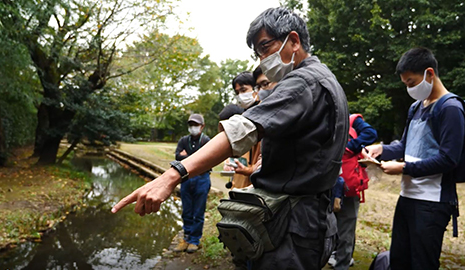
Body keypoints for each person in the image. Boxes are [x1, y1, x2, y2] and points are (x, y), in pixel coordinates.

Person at [111, 7, 349, 269]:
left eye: (265, 47)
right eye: (257, 53)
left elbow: (242, 129)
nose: (261, 60)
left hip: (292, 225)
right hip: (312, 219)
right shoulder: (327, 80)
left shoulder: (304, 82)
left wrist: (172, 175)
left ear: (294, 41)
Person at [362, 47, 465, 270]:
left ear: (429, 73)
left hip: (432, 204)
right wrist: (381, 149)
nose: (409, 89)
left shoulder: (451, 109)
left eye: (411, 82)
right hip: (407, 197)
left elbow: (449, 159)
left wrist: (403, 168)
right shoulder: (416, 107)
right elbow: (404, 145)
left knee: (422, 264)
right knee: (399, 261)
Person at [329, 115, 377, 270]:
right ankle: (336, 255)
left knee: (346, 228)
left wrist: (350, 147)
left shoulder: (352, 120)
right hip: (327, 182)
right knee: (332, 225)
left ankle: (342, 263)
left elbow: (371, 133)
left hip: (348, 185)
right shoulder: (321, 118)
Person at [172, 113, 211, 253]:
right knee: (187, 210)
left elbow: (207, 159)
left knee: (198, 211)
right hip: (186, 178)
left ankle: (195, 240)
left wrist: (187, 157)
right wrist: (196, 157)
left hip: (202, 178)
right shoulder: (184, 140)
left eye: (196, 125)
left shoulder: (206, 140)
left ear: (202, 126)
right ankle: (186, 238)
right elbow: (177, 156)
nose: (193, 127)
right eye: (191, 125)